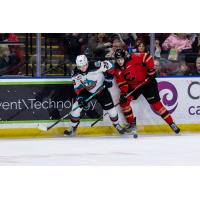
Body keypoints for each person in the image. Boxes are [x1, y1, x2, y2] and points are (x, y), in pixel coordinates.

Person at [113, 48, 181, 134]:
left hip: (148, 82)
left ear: (125, 57)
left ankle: (171, 123)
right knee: (124, 102)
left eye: (121, 59)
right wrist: (124, 93)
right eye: (117, 59)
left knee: (156, 105)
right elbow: (122, 83)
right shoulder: (117, 69)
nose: (119, 61)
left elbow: (147, 57)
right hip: (134, 86)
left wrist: (151, 71)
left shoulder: (134, 57)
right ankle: (132, 124)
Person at [64, 54, 126, 136]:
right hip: (86, 91)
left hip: (101, 90)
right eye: (80, 66)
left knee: (112, 111)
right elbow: (78, 88)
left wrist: (108, 79)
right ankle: (73, 127)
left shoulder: (96, 65)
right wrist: (81, 98)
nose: (82, 68)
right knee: (75, 109)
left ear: (87, 63)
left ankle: (117, 125)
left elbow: (110, 65)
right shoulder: (75, 73)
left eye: (84, 65)